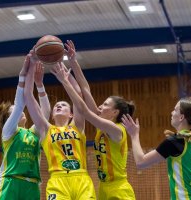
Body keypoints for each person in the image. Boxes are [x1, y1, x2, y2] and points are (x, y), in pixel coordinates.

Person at [54, 40, 135, 199]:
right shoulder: (103, 126)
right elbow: (85, 89)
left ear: (114, 112)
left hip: (119, 188)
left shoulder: (116, 130)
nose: (100, 106)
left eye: (105, 104)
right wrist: (73, 62)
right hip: (104, 187)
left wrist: (65, 81)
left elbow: (83, 109)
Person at [24, 52, 96, 200]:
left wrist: (63, 69)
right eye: (56, 105)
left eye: (63, 105)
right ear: (51, 115)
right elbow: (28, 97)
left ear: (71, 114)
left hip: (81, 178)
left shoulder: (77, 126)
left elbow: (78, 93)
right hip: (57, 180)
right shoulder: (46, 129)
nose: (58, 106)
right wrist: (32, 67)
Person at [0, 52, 51, 200]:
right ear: (8, 119)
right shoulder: (8, 131)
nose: (21, 112)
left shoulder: (33, 133)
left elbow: (45, 113)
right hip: (10, 182)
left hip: (32, 184)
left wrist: (40, 85)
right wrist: (23, 75)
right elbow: (20, 104)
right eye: (14, 113)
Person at [122, 97, 191, 200]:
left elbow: (140, 162)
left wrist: (134, 135)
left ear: (181, 117)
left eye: (175, 110)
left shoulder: (175, 142)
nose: (172, 113)